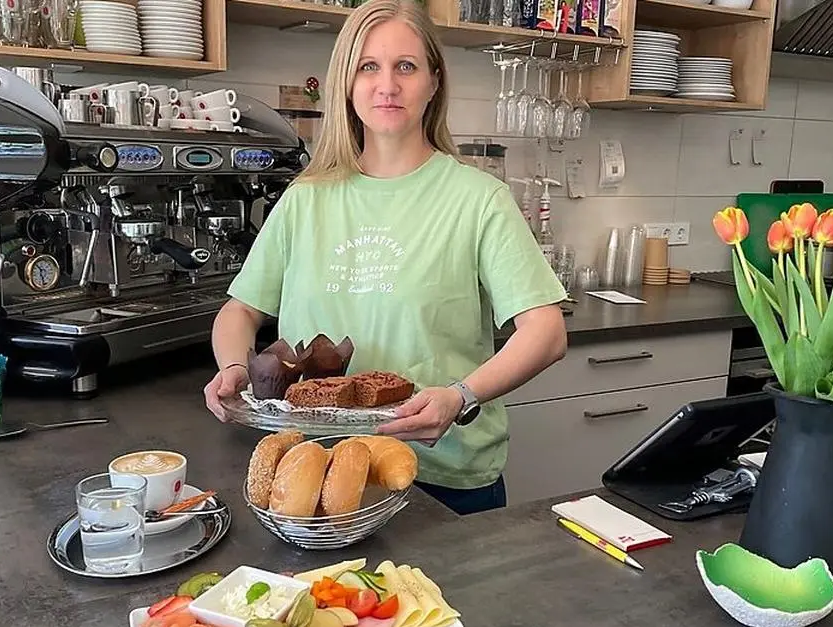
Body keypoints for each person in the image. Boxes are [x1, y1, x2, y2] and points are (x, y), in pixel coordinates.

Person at [203, 0, 567, 515]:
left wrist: (459, 396)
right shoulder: (306, 199)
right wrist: (233, 367)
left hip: (441, 477)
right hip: (316, 470)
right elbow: (241, 310)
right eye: (368, 67)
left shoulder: (479, 199)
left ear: (434, 82)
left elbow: (546, 332)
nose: (387, 85)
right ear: (347, 85)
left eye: (406, 66)